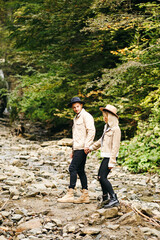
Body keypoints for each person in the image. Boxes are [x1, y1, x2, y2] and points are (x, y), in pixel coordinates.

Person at [58, 97, 95, 203]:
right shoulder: (76, 118)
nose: (76, 108)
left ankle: (70, 193)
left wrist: (87, 145)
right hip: (77, 147)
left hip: (83, 147)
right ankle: (85, 195)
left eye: (77, 106)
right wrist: (73, 151)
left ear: (81, 105)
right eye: (74, 107)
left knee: (72, 168)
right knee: (80, 170)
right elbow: (76, 135)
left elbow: (91, 131)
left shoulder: (86, 116)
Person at [86, 104, 121, 208]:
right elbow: (100, 141)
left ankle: (114, 199)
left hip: (110, 156)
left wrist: (112, 161)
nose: (104, 118)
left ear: (110, 117)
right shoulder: (107, 128)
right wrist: (91, 148)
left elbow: (116, 146)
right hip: (106, 155)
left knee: (102, 177)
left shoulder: (116, 129)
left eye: (105, 115)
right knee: (100, 177)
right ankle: (105, 198)